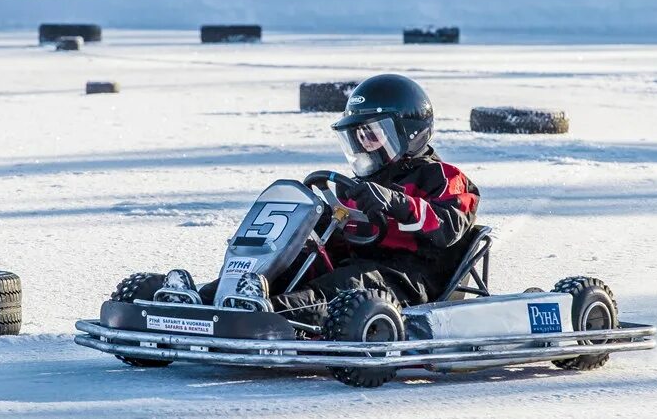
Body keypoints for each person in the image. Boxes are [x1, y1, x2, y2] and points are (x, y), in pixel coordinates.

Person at [166, 74, 480, 325]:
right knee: (298, 262)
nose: (364, 145)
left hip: (408, 278)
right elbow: (349, 235)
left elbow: (447, 226)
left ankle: (264, 314)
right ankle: (202, 301)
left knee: (342, 285)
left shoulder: (444, 177)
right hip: (362, 266)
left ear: (408, 133)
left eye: (372, 134)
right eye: (358, 136)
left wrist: (395, 202)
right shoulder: (363, 185)